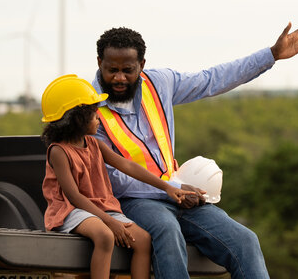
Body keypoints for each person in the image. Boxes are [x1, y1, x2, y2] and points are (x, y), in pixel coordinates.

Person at [92, 22, 298, 279]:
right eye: (112, 70)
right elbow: (113, 180)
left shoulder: (160, 83)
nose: (119, 78)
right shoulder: (89, 109)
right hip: (134, 202)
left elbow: (212, 79)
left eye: (127, 70)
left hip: (178, 193)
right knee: (167, 231)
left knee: (245, 240)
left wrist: (271, 55)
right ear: (100, 62)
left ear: (142, 65)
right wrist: (170, 189)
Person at [40, 74, 195, 279]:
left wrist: (167, 186)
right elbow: (74, 196)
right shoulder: (59, 151)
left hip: (101, 207)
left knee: (142, 239)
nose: (99, 117)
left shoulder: (95, 144)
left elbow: (127, 165)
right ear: (76, 118)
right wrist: (110, 223)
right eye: (93, 112)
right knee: (104, 236)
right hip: (71, 210)